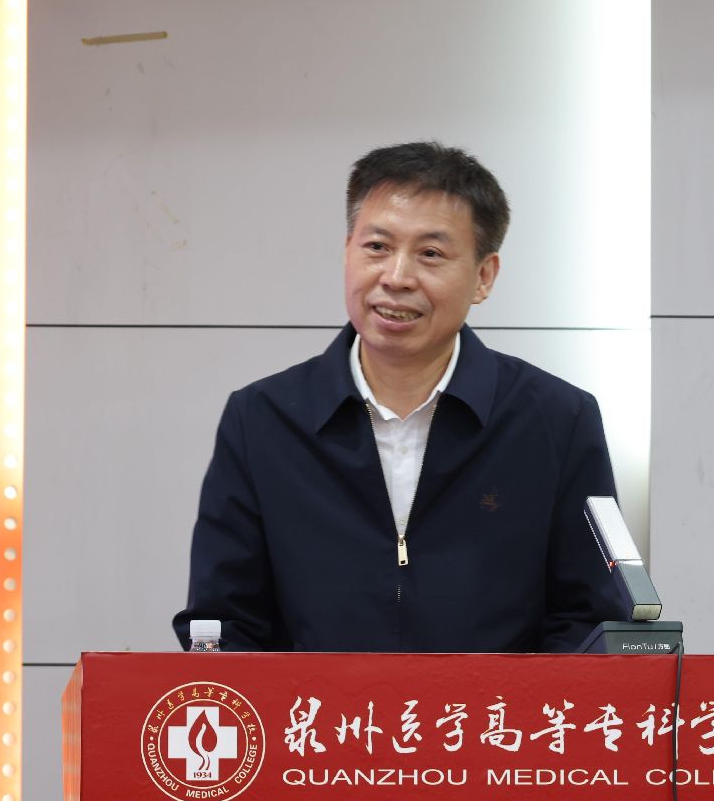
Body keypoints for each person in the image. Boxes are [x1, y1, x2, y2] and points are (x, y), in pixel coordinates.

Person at [172, 142, 625, 653]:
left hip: (496, 708)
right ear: (347, 251)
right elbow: (223, 625)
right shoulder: (262, 420)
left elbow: (589, 622)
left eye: (430, 254)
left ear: (483, 276)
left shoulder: (558, 420)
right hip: (312, 708)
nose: (396, 277)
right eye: (377, 247)